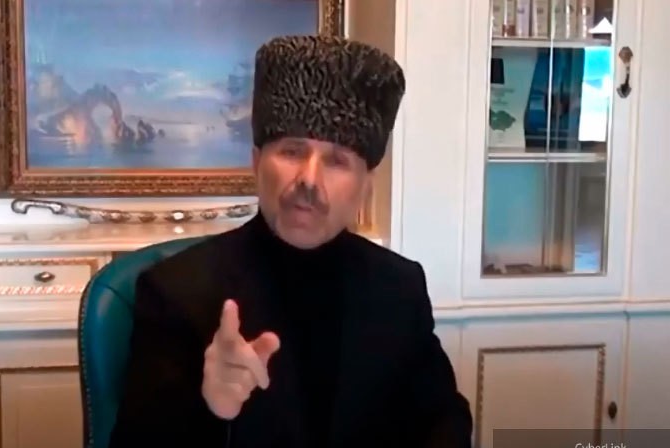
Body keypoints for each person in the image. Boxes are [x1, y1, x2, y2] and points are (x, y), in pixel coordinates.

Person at [108, 35, 473, 447]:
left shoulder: (399, 287)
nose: (309, 180)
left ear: (366, 186)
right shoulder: (176, 291)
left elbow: (444, 419)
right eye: (292, 151)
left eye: (337, 160)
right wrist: (210, 407)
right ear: (256, 163)